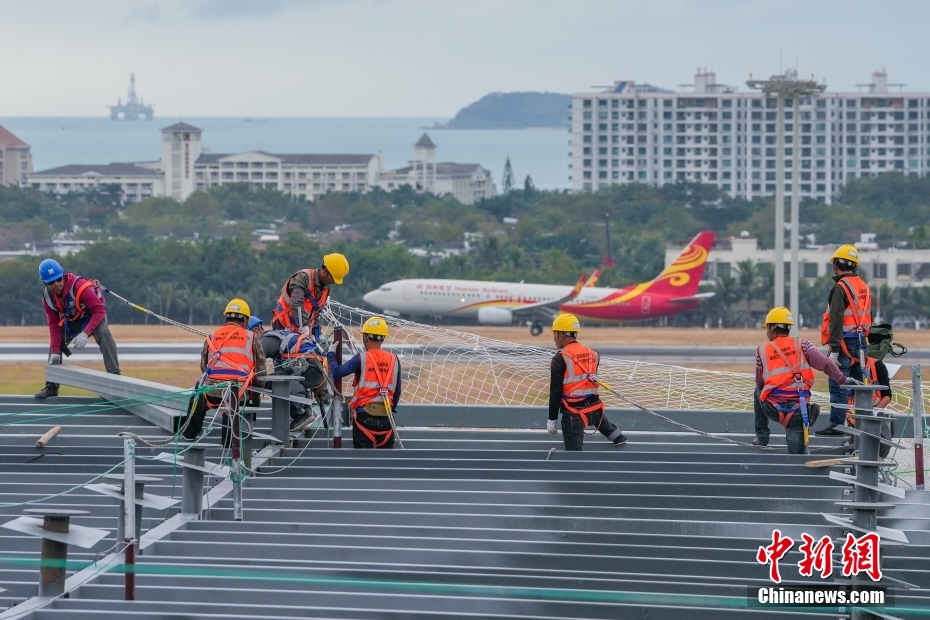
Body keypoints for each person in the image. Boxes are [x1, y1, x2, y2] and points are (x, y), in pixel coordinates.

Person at [754, 307, 858, 454]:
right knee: (797, 458)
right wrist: (842, 379)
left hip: (773, 409)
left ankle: (762, 437)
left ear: (772, 328)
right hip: (798, 411)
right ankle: (807, 418)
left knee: (758, 391)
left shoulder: (761, 351)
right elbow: (826, 363)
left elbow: (759, 383)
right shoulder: (803, 345)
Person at [183, 298, 266, 445]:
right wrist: (257, 391)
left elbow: (204, 368)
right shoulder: (251, 337)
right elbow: (260, 371)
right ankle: (229, 446)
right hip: (237, 394)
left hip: (212, 392)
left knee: (199, 390)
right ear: (246, 320)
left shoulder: (212, 336)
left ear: (226, 316)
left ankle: (189, 435)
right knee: (235, 407)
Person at [35, 258, 121, 399]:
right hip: (73, 319)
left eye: (58, 279)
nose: (56, 284)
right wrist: (56, 352)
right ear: (45, 284)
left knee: (104, 334)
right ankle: (52, 386)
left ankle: (116, 379)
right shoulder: (47, 299)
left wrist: (85, 333)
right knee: (54, 349)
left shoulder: (80, 286)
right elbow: (54, 326)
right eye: (51, 282)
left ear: (63, 276)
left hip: (94, 314)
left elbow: (99, 310)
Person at [548, 314, 627, 451]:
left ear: (561, 335)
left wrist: (552, 419)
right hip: (595, 410)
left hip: (574, 415)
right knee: (612, 432)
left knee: (574, 458)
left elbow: (556, 392)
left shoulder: (559, 358)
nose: (554, 339)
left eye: (554, 334)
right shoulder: (593, 354)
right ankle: (617, 436)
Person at [817, 244, 872, 437]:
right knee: (860, 386)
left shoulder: (840, 287)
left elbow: (836, 319)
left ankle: (837, 426)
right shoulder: (863, 286)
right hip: (861, 344)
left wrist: (833, 350)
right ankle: (862, 427)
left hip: (844, 343)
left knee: (838, 382)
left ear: (836, 265)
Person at [326, 317, 402, 449]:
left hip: (364, 417)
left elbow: (336, 372)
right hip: (387, 418)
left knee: (362, 464)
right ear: (383, 338)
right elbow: (397, 392)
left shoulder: (361, 358)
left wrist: (331, 354)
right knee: (387, 464)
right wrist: (391, 409)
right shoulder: (394, 360)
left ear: (366, 337)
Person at [260, 328, 330, 431]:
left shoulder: (267, 339)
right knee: (281, 376)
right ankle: (305, 409)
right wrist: (320, 386)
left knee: (269, 382)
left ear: (256, 329)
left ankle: (301, 413)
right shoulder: (281, 336)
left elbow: (255, 357)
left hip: (309, 367)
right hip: (315, 368)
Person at [271, 253, 349, 338]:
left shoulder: (325, 289)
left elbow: (315, 314)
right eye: (333, 279)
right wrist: (305, 326)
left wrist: (316, 333)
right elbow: (296, 303)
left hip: (301, 332)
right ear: (326, 271)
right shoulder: (303, 277)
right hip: (283, 326)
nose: (334, 282)